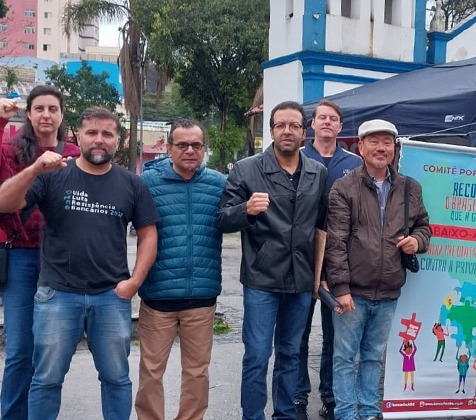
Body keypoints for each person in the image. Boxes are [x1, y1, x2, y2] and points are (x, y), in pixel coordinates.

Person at [0, 107, 159, 419]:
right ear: (78, 137)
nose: (99, 140)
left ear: (118, 140)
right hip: (57, 294)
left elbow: (148, 235)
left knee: (116, 378)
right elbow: (5, 203)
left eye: (107, 134)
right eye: (92, 133)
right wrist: (33, 170)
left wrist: (134, 283)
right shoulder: (53, 175)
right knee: (46, 380)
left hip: (111, 296)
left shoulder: (132, 184)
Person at [217, 101, 328, 420]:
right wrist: (245, 210)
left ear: (304, 132)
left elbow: (321, 225)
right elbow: (223, 219)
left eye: (294, 125)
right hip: (262, 279)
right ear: (271, 130)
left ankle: (284, 414)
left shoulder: (316, 172)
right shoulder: (247, 169)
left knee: (291, 354)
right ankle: (252, 416)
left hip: (301, 280)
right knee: (256, 355)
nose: (288, 131)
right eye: (281, 125)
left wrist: (321, 273)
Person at [325, 119, 431, 420]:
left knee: (373, 358)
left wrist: (417, 241)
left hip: (388, 291)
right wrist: (341, 288)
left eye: (387, 142)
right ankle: (346, 414)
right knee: (345, 357)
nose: (381, 148)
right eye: (374, 141)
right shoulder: (344, 188)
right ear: (361, 147)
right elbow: (336, 243)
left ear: (395, 149)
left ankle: (370, 412)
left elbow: (424, 226)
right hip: (353, 293)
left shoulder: (410, 188)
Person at [135, 119, 226, 420]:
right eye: (182, 144)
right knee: (150, 370)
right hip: (157, 296)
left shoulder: (218, 183)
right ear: (169, 147)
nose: (189, 150)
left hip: (201, 297)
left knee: (197, 373)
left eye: (196, 145)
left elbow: (239, 217)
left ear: (204, 148)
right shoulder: (147, 183)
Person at [0, 87, 80, 420]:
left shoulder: (75, 151)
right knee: (20, 348)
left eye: (52, 108)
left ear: (62, 114)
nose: (46, 115)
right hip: (20, 253)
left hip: (62, 259)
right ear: (29, 114)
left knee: (48, 348)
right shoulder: (9, 149)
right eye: (38, 108)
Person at [294, 100, 361, 420]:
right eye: (321, 117)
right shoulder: (298, 157)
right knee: (298, 332)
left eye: (333, 119)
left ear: (340, 126)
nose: (327, 122)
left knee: (336, 335)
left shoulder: (353, 163)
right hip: (301, 257)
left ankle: (331, 397)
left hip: (339, 259)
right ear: (312, 124)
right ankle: (297, 394)